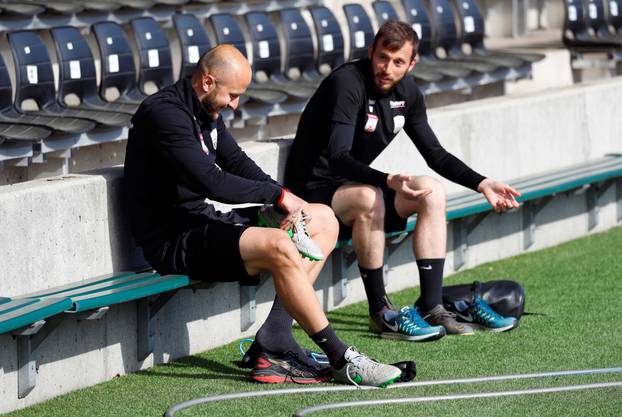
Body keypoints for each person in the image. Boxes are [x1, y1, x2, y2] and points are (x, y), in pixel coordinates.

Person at [123, 44, 401, 387]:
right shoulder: (164, 114)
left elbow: (237, 163)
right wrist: (277, 195)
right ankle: (340, 357)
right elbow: (211, 181)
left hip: (203, 222)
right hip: (173, 240)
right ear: (208, 81)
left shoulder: (205, 110)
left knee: (323, 218)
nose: (235, 105)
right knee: (280, 246)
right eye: (233, 95)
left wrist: (289, 201)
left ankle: (274, 338)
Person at [284, 21, 520, 341]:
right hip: (313, 191)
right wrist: (386, 179)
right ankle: (380, 311)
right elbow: (338, 156)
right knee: (370, 197)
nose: (387, 68)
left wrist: (482, 183)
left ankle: (432, 306)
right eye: (382, 57)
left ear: (412, 63)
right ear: (371, 52)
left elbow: (435, 154)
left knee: (431, 190)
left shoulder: (408, 93)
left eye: (398, 62)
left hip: (356, 184)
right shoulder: (347, 83)